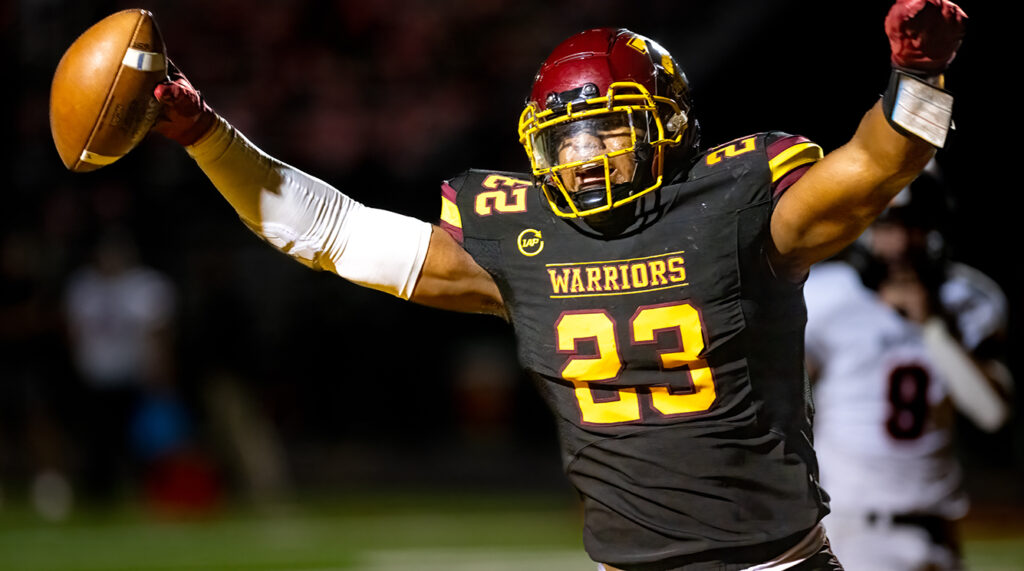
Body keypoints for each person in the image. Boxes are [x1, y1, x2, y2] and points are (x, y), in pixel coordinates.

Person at [143, 0, 966, 568]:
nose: (584, 157)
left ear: (668, 126)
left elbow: (876, 166)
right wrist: (207, 135)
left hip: (770, 561)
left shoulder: (741, 207)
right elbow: (329, 232)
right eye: (566, 139)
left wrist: (919, 78)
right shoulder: (519, 237)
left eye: (607, 129)